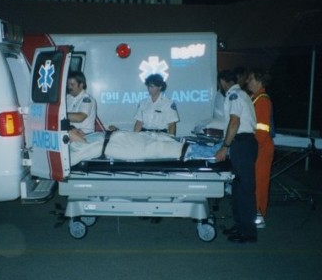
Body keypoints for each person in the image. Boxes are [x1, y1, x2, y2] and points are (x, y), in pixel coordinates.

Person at [214, 69, 258, 243]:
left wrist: (225, 147)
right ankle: (240, 226)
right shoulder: (239, 94)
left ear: (223, 82)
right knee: (238, 189)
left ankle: (248, 232)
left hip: (242, 143)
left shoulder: (234, 95)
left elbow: (234, 122)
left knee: (245, 190)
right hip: (242, 143)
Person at [68, 128, 221, 165]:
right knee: (159, 148)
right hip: (123, 148)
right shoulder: (79, 148)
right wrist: (68, 132)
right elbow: (71, 156)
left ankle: (212, 148)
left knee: (162, 139)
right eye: (76, 131)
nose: (80, 131)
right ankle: (212, 154)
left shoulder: (86, 139)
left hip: (126, 140)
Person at [247, 68, 275, 229]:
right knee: (254, 182)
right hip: (258, 147)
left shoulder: (262, 100)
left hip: (261, 148)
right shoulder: (255, 98)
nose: (248, 82)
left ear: (259, 81)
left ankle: (259, 216)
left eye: (251, 79)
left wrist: (253, 148)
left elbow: (262, 129)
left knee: (259, 183)